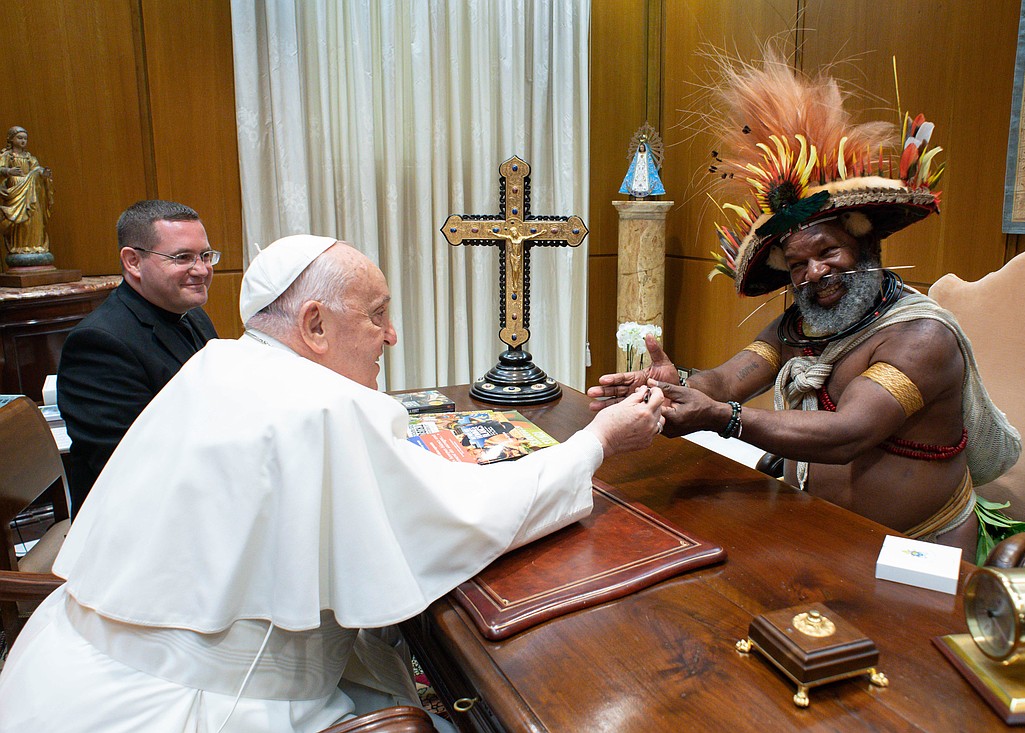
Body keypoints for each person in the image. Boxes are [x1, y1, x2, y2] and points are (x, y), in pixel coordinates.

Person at [0, 235, 665, 732]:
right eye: (377, 313)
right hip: (203, 707)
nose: (392, 334)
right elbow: (469, 513)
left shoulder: (217, 365)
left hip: (70, 665)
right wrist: (598, 440)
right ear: (314, 324)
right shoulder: (320, 405)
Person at [589, 50, 1021, 561]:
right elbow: (729, 381)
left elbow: (847, 435)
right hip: (813, 533)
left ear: (864, 245)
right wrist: (675, 381)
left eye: (828, 252)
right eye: (797, 266)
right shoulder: (803, 322)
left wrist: (719, 419)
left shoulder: (921, 337)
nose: (814, 273)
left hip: (917, 549)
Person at [57, 199, 219, 516]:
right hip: (134, 525)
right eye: (183, 257)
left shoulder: (192, 315)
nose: (201, 269)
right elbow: (134, 468)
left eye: (205, 255)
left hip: (190, 497)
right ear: (133, 262)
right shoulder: (98, 345)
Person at [0, 125, 53, 265]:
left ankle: (35, 246)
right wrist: (8, 172)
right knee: (21, 221)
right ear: (11, 139)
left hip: (31, 193)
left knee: (33, 217)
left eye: (25, 138)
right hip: (16, 191)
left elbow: (37, 169)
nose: (23, 141)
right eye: (20, 138)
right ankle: (20, 247)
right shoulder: (6, 156)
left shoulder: (30, 157)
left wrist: (43, 173)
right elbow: (0, 169)